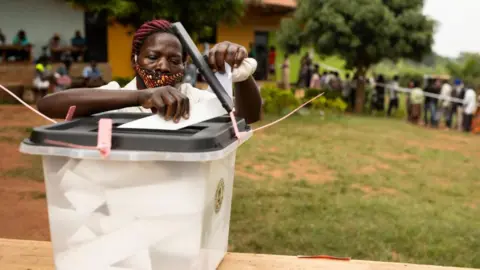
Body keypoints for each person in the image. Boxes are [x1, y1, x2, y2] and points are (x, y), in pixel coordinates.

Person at [37, 19, 262, 125]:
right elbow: (48, 105)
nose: (163, 66)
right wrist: (140, 97)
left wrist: (243, 77)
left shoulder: (194, 98)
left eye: (174, 60)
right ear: (135, 60)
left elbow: (248, 116)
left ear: (184, 65)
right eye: (153, 57)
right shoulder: (115, 95)